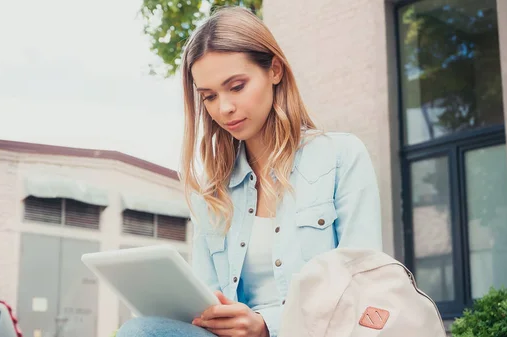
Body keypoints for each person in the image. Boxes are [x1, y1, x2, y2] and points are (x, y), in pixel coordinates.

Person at [116, 6, 382, 337]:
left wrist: (267, 325)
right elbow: (208, 304)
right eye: (209, 97)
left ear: (275, 70)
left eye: (237, 86)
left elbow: (367, 289)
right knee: (141, 329)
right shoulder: (212, 194)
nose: (224, 108)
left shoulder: (341, 156)